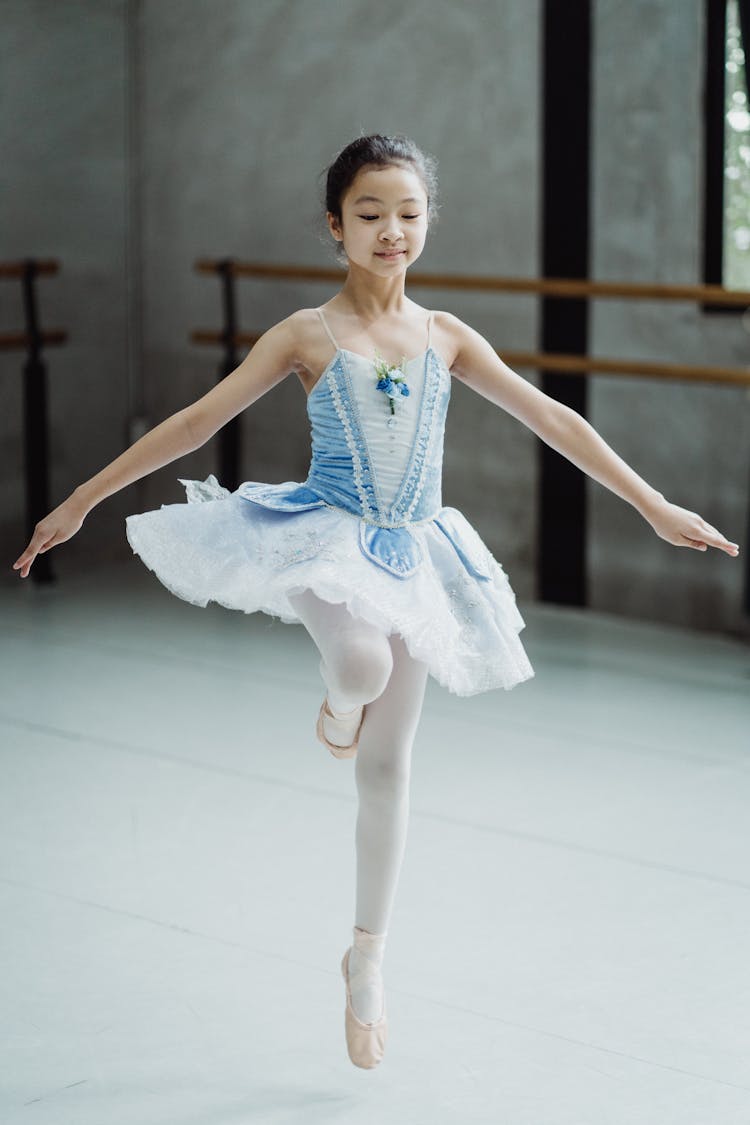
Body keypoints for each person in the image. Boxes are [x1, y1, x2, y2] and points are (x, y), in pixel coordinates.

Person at [12, 133, 740, 1070]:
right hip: (325, 537)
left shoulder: (448, 338)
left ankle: (366, 956)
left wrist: (652, 503)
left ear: (426, 222)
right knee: (360, 661)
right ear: (334, 227)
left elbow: (554, 417)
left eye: (408, 213)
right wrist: (80, 500)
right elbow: (199, 420)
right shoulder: (305, 334)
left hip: (417, 554)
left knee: (391, 769)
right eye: (369, 214)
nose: (391, 231)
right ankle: (336, 701)